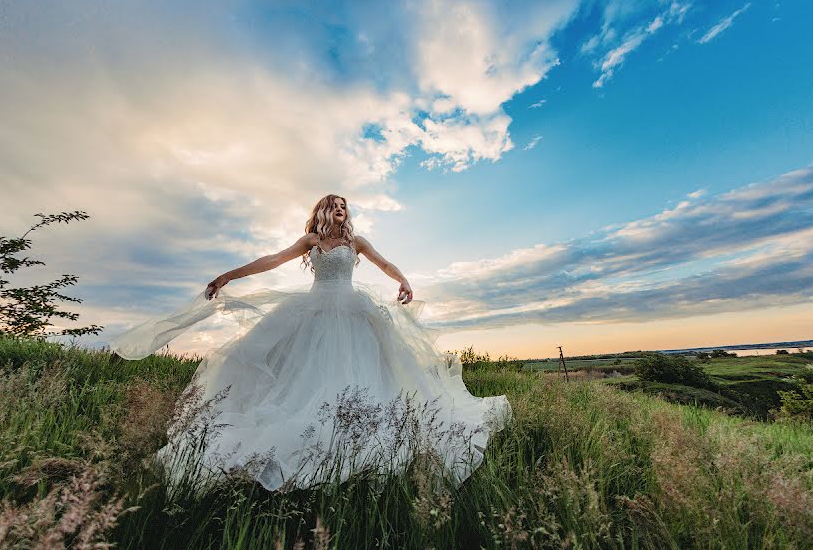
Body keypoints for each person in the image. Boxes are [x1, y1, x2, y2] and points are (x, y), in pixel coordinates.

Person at [108, 194, 512, 492]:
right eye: (337, 206)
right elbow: (272, 260)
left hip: (354, 312)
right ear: (323, 210)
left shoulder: (357, 243)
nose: (343, 212)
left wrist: (403, 280)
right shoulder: (311, 243)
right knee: (298, 377)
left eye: (346, 208)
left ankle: (362, 435)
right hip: (315, 313)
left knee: (372, 372)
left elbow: (384, 263)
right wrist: (229, 275)